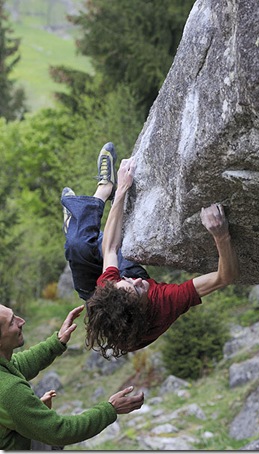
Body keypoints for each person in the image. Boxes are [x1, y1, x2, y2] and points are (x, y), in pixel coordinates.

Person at [61, 142, 239, 360]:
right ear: (141, 307)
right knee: (82, 243)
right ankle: (80, 219)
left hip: (99, 300)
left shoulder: (112, 291)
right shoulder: (164, 301)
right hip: (121, 313)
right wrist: (221, 235)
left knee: (78, 245)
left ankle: (98, 196)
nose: (136, 280)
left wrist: (121, 190)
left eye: (128, 283)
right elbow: (225, 277)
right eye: (136, 289)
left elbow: (110, 247)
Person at [0, 303, 144, 450]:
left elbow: (18, 364)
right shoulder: (10, 390)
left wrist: (58, 341)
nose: (21, 321)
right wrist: (111, 409)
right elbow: (60, 431)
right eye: (12, 322)